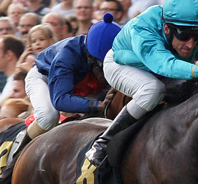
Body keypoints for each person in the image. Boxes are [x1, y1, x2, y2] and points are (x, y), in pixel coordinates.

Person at [89, 0, 198, 168]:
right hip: (122, 65)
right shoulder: (144, 27)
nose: (191, 44)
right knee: (153, 89)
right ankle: (102, 143)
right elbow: (163, 64)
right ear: (166, 28)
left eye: (196, 37)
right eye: (184, 36)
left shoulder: (196, 25)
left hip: (161, 67)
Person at [11, 14, 120, 160]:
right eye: (102, 66)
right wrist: (97, 105)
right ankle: (16, 156)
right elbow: (60, 100)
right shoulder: (67, 54)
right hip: (44, 78)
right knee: (49, 116)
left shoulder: (103, 55)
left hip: (79, 84)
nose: (105, 73)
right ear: (90, 57)